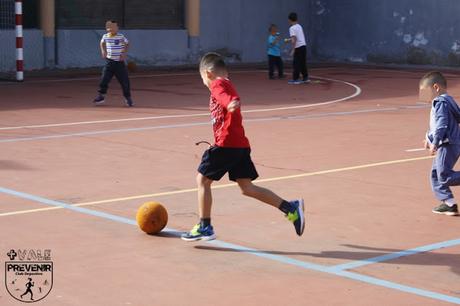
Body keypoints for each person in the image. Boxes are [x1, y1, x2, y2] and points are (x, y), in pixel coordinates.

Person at [181, 52, 305, 241]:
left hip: (227, 144)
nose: (205, 84)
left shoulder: (217, 83)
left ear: (207, 73)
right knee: (247, 187)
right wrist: (230, 103)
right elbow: (228, 98)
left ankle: (205, 226)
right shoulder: (227, 83)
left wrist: (229, 103)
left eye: (202, 80)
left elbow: (222, 95)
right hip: (239, 145)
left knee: (202, 180)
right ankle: (290, 208)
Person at [420, 71, 460, 216]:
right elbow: (441, 124)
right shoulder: (448, 101)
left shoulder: (440, 102)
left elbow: (442, 124)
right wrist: (429, 138)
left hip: (447, 144)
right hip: (451, 142)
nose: (424, 99)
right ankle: (449, 204)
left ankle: (449, 203)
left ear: (436, 87)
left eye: (424, 93)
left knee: (444, 176)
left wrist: (435, 142)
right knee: (435, 174)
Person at [93, 20, 134, 107]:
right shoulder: (105, 36)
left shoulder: (120, 36)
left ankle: (128, 98)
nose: (113, 29)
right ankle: (101, 97)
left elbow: (127, 43)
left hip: (119, 64)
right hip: (109, 63)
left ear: (117, 28)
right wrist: (103, 51)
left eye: (115, 27)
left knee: (124, 82)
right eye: (110, 27)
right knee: (104, 79)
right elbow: (101, 42)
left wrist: (124, 53)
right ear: (108, 28)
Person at [286, 12, 309, 85]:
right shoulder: (299, 26)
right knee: (302, 63)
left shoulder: (291, 28)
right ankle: (305, 78)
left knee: (296, 63)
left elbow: (294, 40)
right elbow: (297, 37)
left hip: (298, 47)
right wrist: (288, 40)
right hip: (303, 46)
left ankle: (295, 79)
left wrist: (293, 49)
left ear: (289, 20)